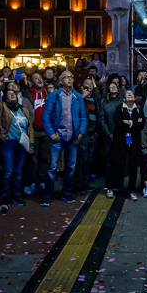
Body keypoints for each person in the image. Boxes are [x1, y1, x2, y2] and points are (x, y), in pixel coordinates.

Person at [42, 72, 87, 205]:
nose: (70, 79)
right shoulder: (54, 96)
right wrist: (52, 134)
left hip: (73, 137)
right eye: (67, 77)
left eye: (72, 77)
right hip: (57, 136)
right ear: (61, 81)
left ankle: (67, 193)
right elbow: (45, 117)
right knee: (52, 167)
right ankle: (47, 194)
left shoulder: (78, 97)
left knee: (71, 167)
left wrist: (80, 133)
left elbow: (83, 117)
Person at [0, 88, 34, 206]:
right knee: (8, 170)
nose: (13, 95)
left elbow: (29, 128)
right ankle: (5, 195)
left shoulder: (23, 110)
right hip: (8, 143)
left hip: (21, 144)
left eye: (14, 94)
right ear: (5, 98)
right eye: (10, 94)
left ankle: (17, 195)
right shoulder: (4, 108)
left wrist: (31, 144)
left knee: (18, 171)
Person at [109, 88, 146, 199]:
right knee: (116, 164)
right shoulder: (119, 108)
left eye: (131, 95)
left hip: (134, 141)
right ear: (124, 99)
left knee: (133, 166)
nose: (130, 96)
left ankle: (131, 190)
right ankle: (111, 187)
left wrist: (128, 122)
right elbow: (118, 123)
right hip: (120, 140)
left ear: (134, 98)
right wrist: (133, 123)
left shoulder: (139, 110)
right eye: (127, 95)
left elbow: (141, 125)